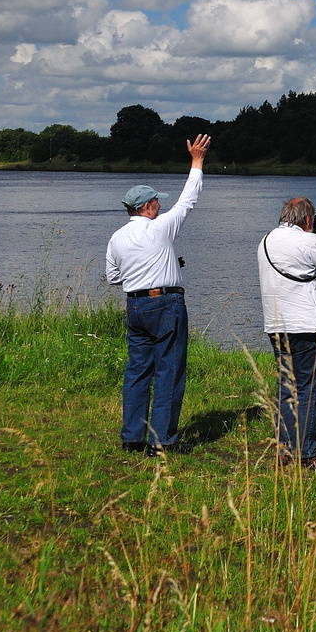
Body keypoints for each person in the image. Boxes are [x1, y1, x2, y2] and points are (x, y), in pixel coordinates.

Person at [105, 134, 211, 455]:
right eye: (156, 203)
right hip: (166, 305)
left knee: (137, 371)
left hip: (135, 306)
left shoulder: (116, 238)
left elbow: (113, 277)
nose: (160, 206)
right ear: (146, 208)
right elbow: (188, 200)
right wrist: (197, 161)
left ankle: (132, 438)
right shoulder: (160, 226)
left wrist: (143, 269)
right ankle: (161, 441)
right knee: (169, 370)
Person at [257, 197, 316, 469]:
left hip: (276, 324)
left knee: (286, 387)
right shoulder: (310, 242)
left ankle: (284, 449)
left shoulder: (266, 241)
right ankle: (307, 453)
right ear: (308, 220)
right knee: (309, 388)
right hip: (306, 326)